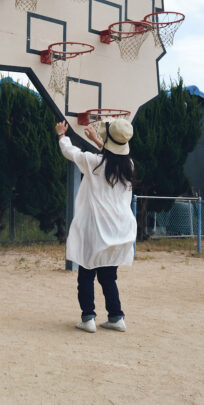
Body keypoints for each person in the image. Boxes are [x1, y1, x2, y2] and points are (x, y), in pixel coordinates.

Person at [55, 118, 137, 333]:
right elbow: (114, 156)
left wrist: (61, 135)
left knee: (86, 272)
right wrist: (99, 142)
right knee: (108, 275)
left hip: (97, 227)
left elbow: (71, 152)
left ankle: (88, 317)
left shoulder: (93, 162)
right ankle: (116, 317)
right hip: (121, 228)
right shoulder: (129, 165)